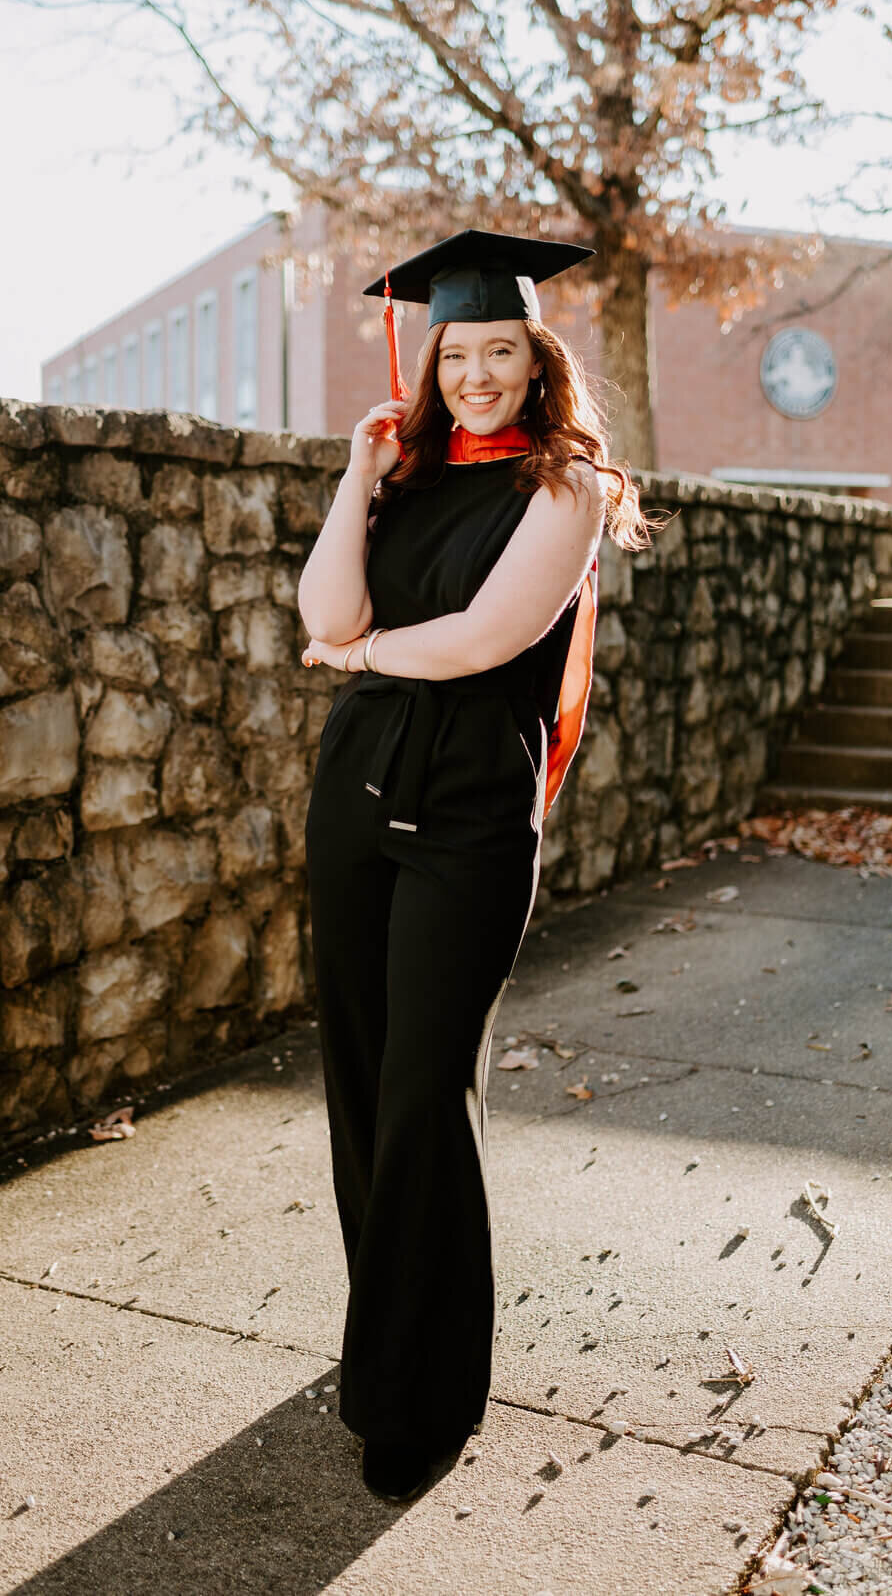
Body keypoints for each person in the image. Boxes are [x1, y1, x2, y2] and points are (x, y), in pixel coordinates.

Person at [298, 228, 662, 1505]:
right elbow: (326, 612)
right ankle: (381, 1335)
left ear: (535, 358)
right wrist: (358, 471)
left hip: (465, 818)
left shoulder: (566, 488)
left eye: (500, 350)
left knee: (423, 1096)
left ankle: (424, 1391)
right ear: (435, 360)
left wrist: (359, 661)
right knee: (356, 1079)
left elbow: (476, 642)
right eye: (458, 354)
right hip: (355, 802)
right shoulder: (405, 475)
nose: (477, 374)